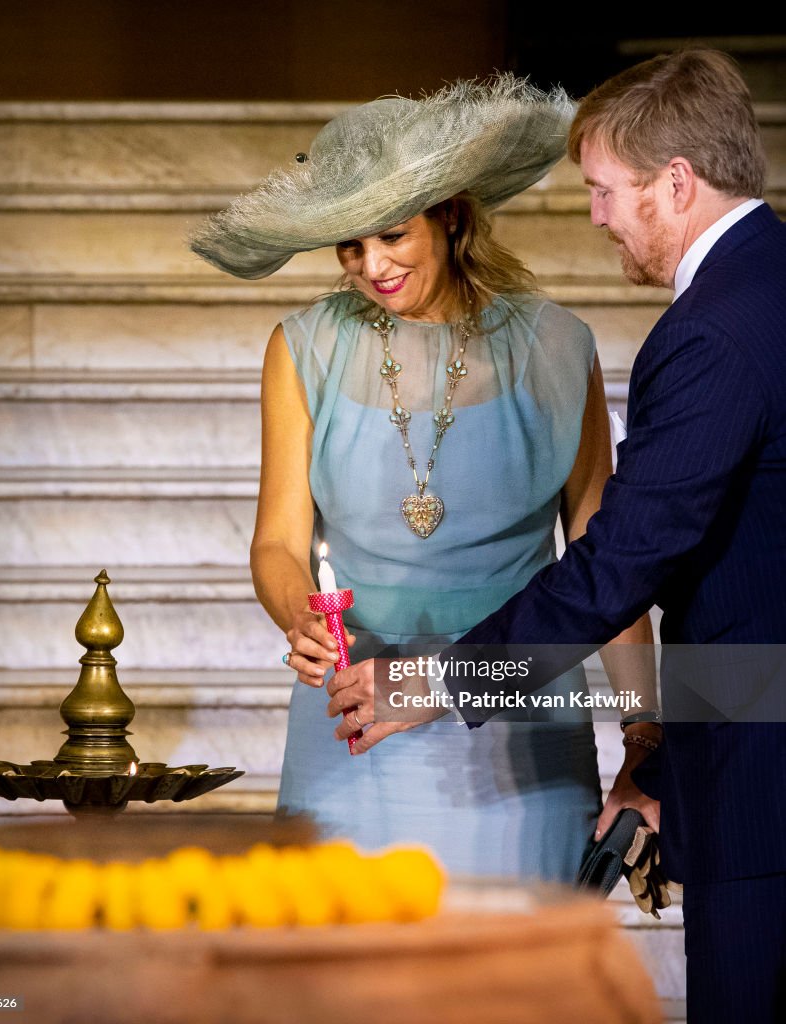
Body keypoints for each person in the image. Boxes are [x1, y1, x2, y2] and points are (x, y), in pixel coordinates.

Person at [329, 50, 786, 1023]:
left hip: (762, 786)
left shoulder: (711, 330)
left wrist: (434, 681)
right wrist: (654, 761)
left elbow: (619, 562)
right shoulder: (768, 289)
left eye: (603, 190)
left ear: (674, 182)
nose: (594, 215)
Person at [191, 76, 656, 880]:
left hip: (520, 723)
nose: (371, 266)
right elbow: (276, 541)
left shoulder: (559, 347)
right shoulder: (302, 347)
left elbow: (600, 558)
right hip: (353, 719)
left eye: (393, 236)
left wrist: (644, 736)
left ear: (450, 214)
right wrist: (298, 615)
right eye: (350, 244)